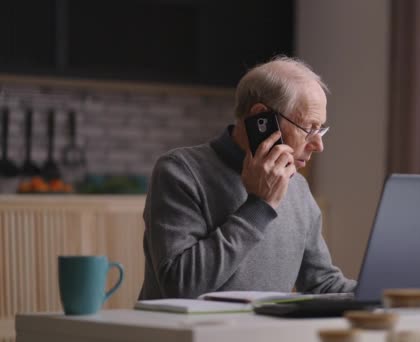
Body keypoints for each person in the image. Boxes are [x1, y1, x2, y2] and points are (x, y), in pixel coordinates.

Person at [139, 56, 356, 299]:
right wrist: (260, 206)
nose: (318, 145)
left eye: (321, 129)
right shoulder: (179, 171)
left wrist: (388, 291)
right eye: (309, 128)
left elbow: (322, 284)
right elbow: (180, 286)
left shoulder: (297, 187)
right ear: (262, 120)